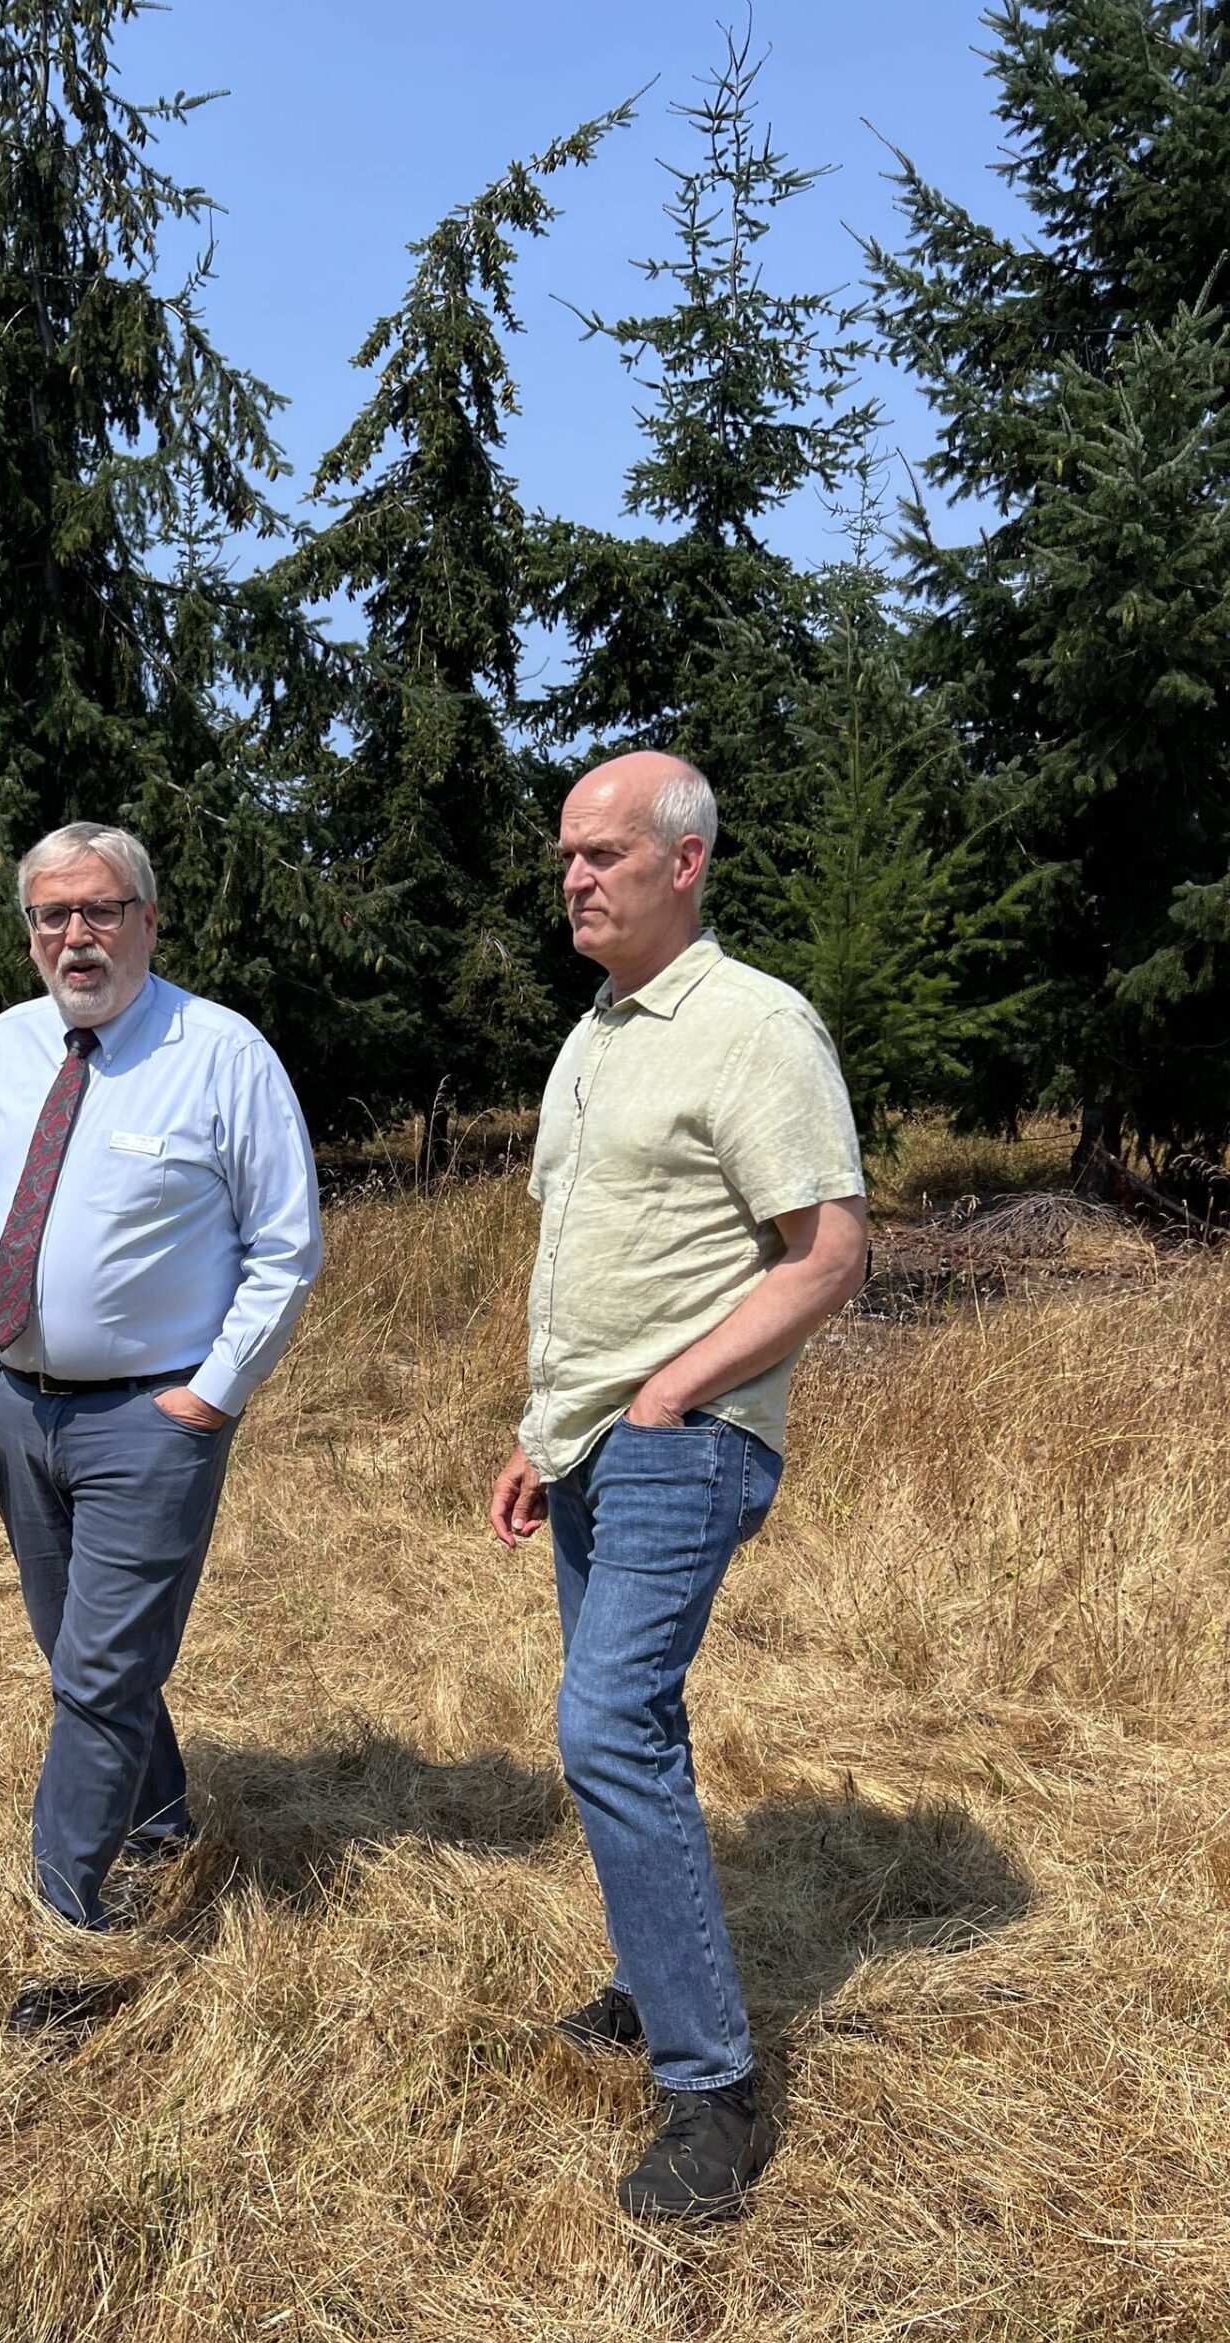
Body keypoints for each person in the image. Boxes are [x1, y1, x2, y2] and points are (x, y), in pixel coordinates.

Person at [488, 752, 868, 2223]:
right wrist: (547, 1427)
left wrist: (667, 1395)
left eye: (603, 855)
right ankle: (653, 1981)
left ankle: (713, 2092)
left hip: (682, 1442)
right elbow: (593, 1259)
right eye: (567, 858)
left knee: (604, 1728)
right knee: (626, 1723)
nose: (575, 878)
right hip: (591, 1442)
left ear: (685, 862)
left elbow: (828, 1255)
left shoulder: (756, 1027)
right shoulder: (593, 1035)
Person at [0, 821, 322, 2039]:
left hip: (152, 1420)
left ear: (150, 920)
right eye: (52, 916)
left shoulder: (221, 1054)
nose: (76, 937)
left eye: (101, 911)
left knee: (98, 1678)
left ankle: (70, 1929)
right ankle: (159, 1825)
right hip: (19, 1409)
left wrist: (208, 1395)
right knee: (77, 1651)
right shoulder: (3, 1047)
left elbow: (287, 1246)